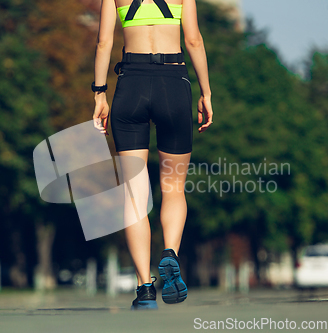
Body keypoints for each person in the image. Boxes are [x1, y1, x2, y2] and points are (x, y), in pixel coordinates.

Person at [92, 0, 213, 310]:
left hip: (130, 86)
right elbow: (193, 39)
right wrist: (206, 92)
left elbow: (104, 41)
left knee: (133, 195)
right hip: (173, 84)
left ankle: (145, 289)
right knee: (173, 187)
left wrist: (100, 93)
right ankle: (169, 253)